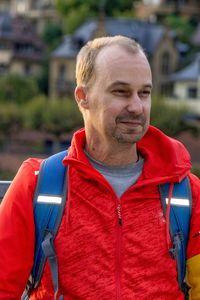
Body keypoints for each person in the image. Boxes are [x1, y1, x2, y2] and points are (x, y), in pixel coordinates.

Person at [0, 35, 200, 300]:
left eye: (145, 92)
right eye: (121, 91)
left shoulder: (187, 193)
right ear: (83, 97)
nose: (137, 106)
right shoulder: (37, 184)